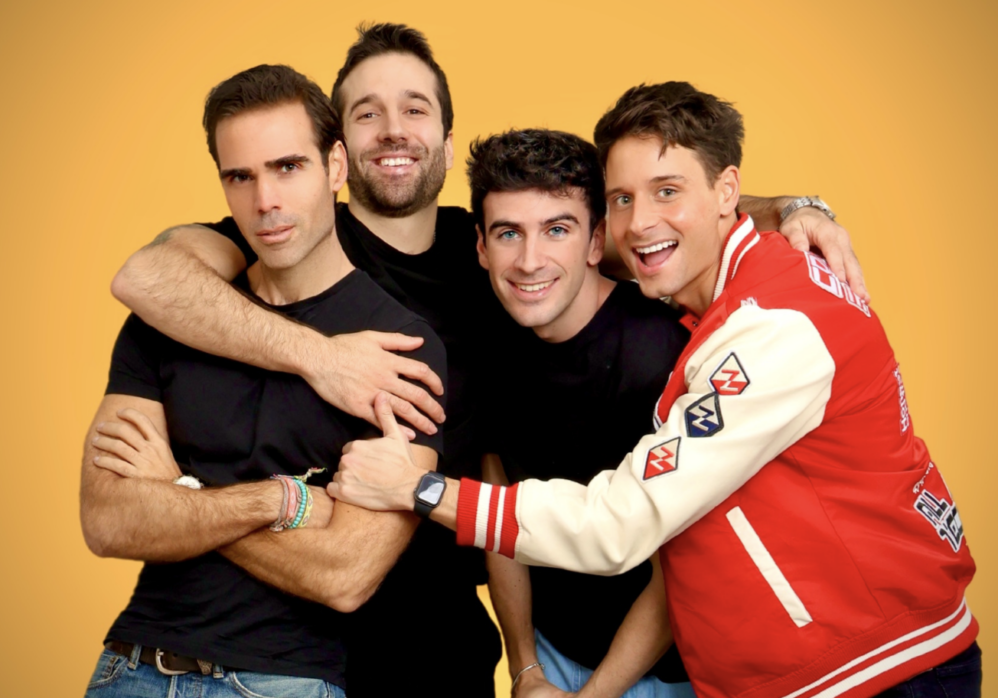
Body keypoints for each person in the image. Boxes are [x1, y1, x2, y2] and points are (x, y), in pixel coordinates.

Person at [109, 24, 863, 693]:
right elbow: (144, 276)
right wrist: (320, 358)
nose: (393, 130)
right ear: (337, 154)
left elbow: (650, 216)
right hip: (293, 648)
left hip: (445, 646)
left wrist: (791, 208)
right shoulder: (286, 237)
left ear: (445, 139)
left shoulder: (503, 250)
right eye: (366, 112)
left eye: (415, 109)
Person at [329, 82, 980, 698]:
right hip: (809, 663)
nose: (640, 224)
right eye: (623, 199)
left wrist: (419, 488)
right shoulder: (723, 291)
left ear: (728, 191)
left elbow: (619, 524)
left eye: (667, 191)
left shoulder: (771, 329)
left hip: (881, 666)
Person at [80, 63, 445, 697]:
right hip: (130, 668)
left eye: (288, 167)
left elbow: (345, 575)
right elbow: (108, 522)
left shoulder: (401, 351)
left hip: (281, 681)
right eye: (240, 177)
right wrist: (282, 502)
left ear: (335, 167)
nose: (265, 202)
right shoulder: (178, 315)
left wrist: (177, 492)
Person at [469, 128, 695, 698]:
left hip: (661, 670)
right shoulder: (486, 339)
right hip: (548, 653)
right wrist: (525, 669)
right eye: (508, 233)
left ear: (596, 243)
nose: (529, 261)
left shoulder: (660, 355)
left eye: (557, 230)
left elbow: (684, 566)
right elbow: (499, 516)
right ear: (481, 247)